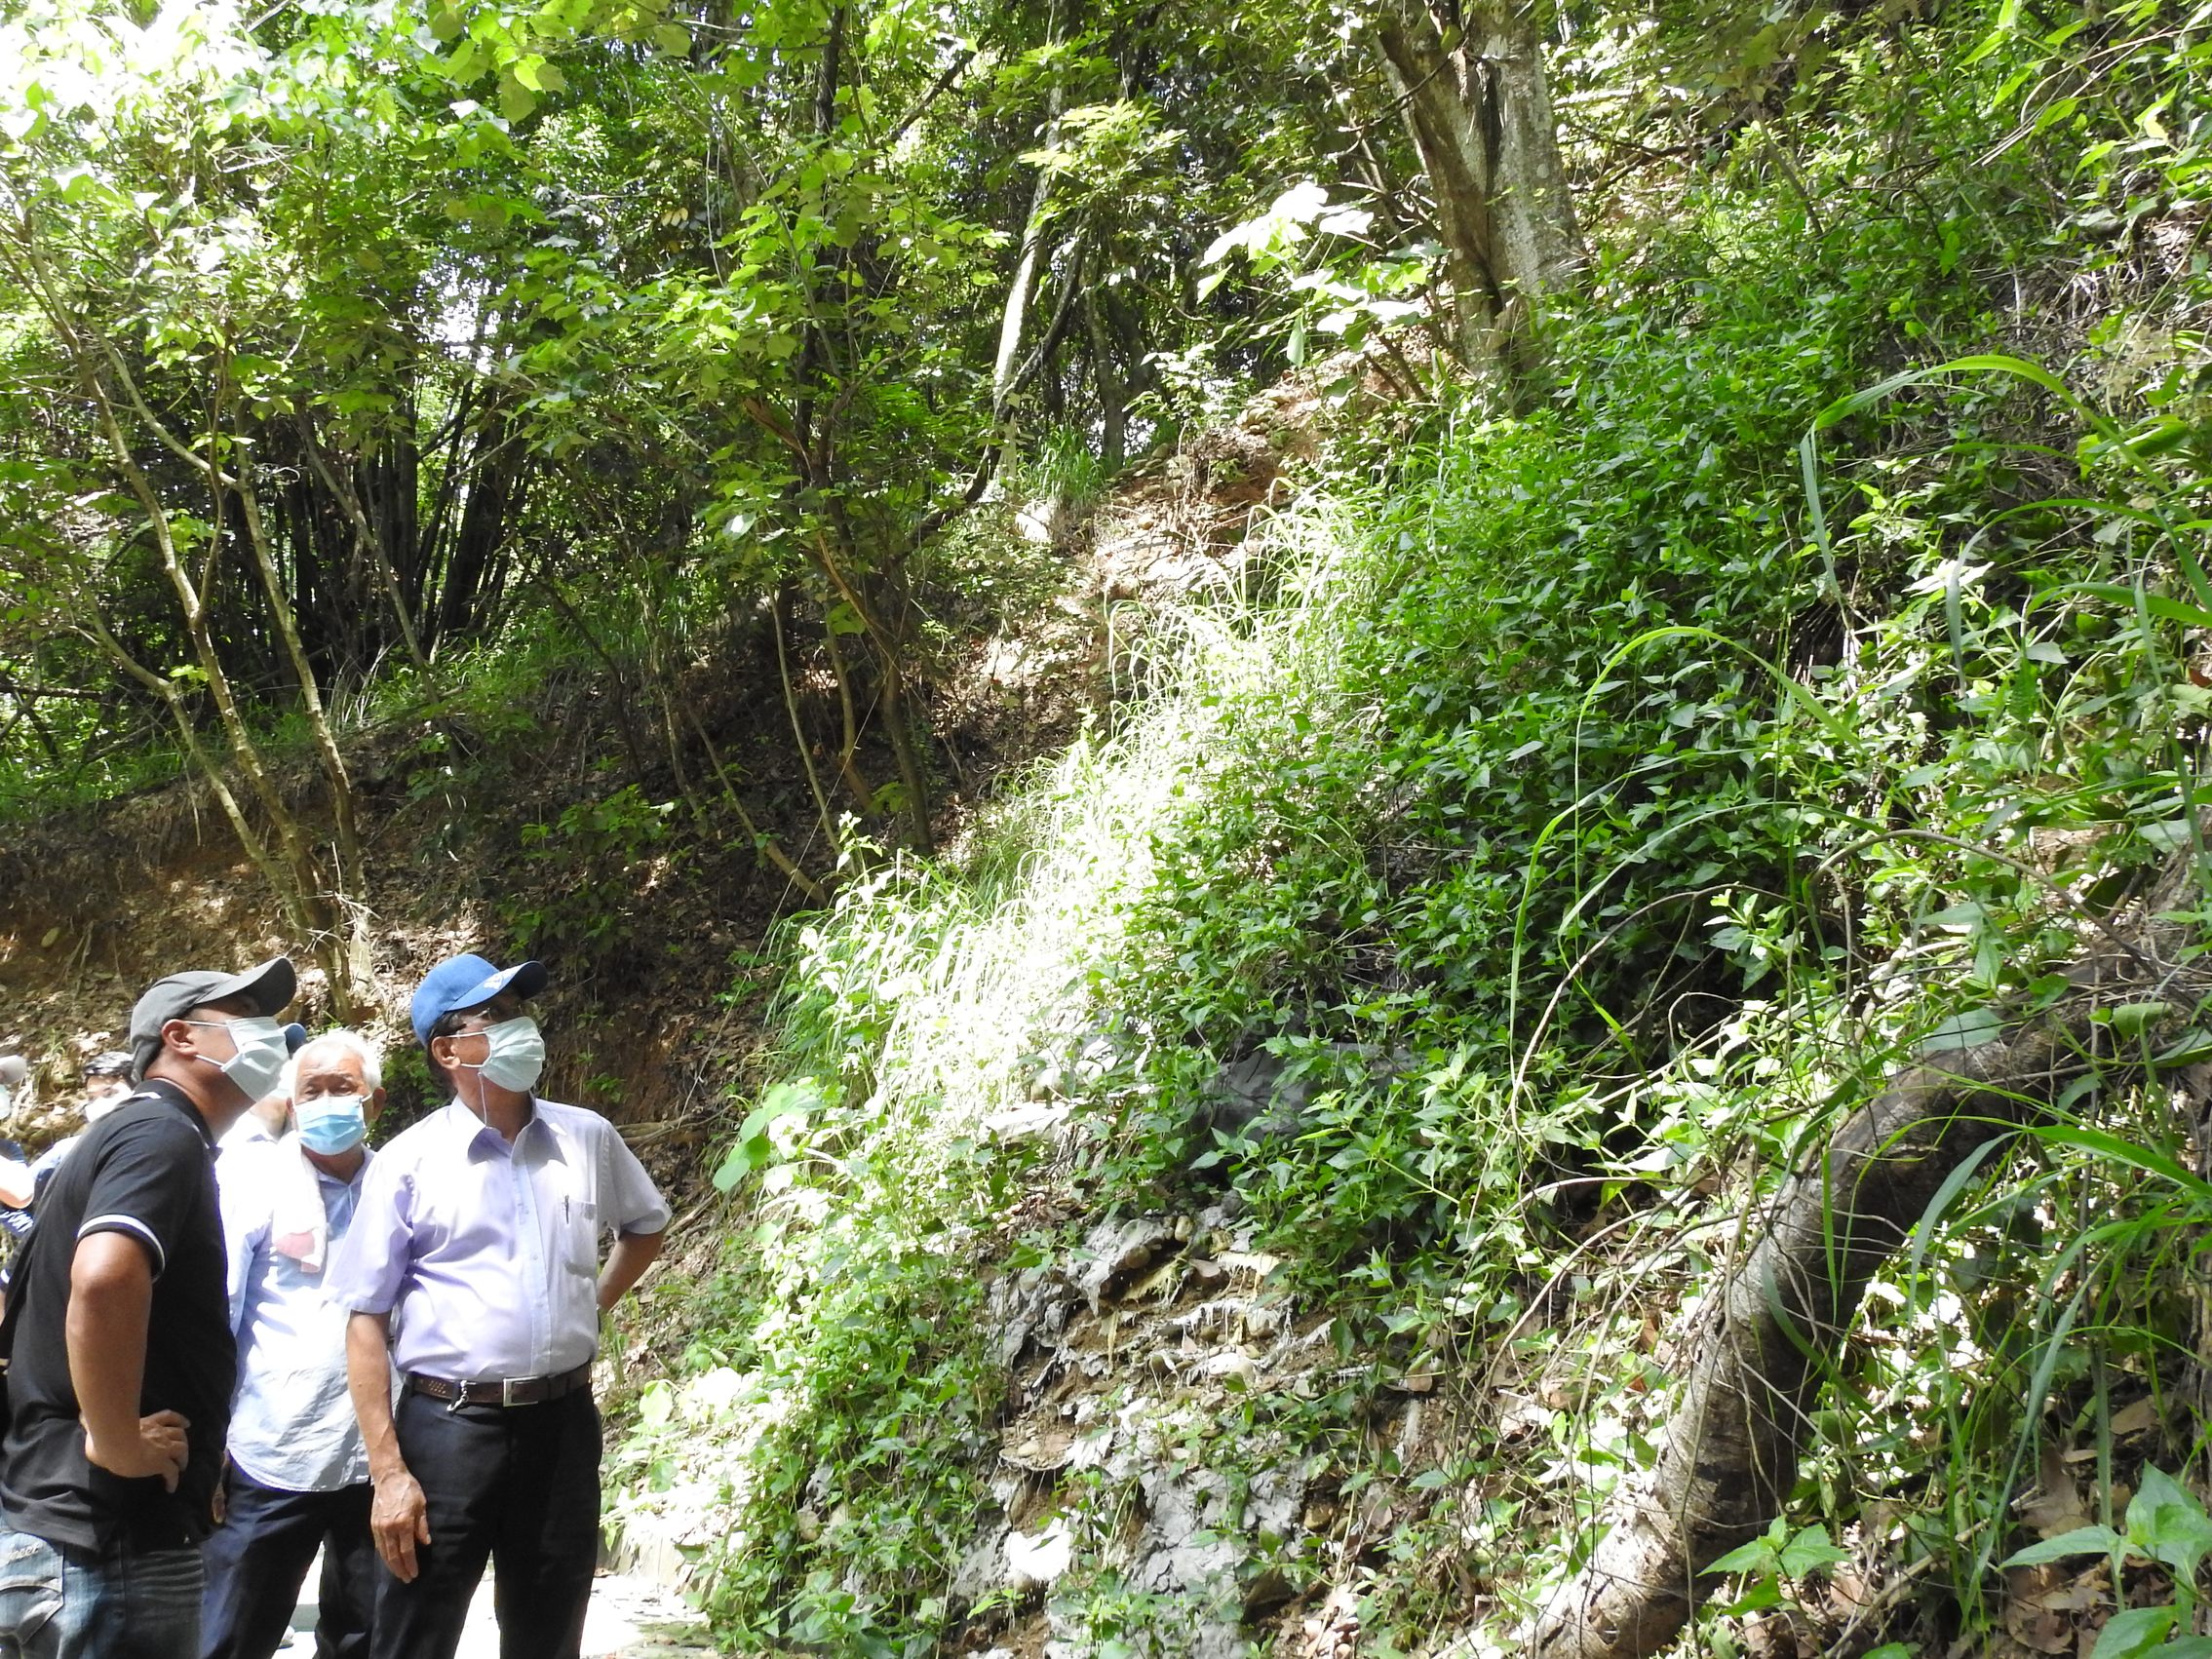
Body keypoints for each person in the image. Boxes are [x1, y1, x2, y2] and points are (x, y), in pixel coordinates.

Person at [326, 954, 670, 1659]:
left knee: (549, 1626)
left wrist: (593, 1302)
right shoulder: (409, 1162)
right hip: (448, 1430)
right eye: (500, 1016)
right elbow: (365, 1320)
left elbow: (645, 1226)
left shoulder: (585, 1137)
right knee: (416, 1629)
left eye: (521, 1011)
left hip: (562, 1424)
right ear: (448, 1050)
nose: (523, 1028)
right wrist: (389, 1473)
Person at [0, 956, 296, 1659]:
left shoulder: (125, 1138)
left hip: (74, 1532)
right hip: (108, 1545)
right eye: (248, 1017)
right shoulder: (160, 1134)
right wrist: (116, 1439)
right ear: (181, 1037)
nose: (269, 1034)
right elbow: (104, 1278)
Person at [200, 1030, 386, 1659]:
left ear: (374, 1103)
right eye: (314, 1090)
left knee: (365, 1634)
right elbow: (218, 1310)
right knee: (229, 1632)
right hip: (270, 1449)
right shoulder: (253, 1179)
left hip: (377, 1456)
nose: (329, 1102)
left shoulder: (399, 1184)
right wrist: (211, 1440)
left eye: (344, 1088)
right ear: (291, 1100)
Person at [217, 1024, 308, 1158]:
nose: (283, 1063)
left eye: (289, 1054)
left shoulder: (313, 1136)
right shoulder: (222, 1144)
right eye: (269, 1058)